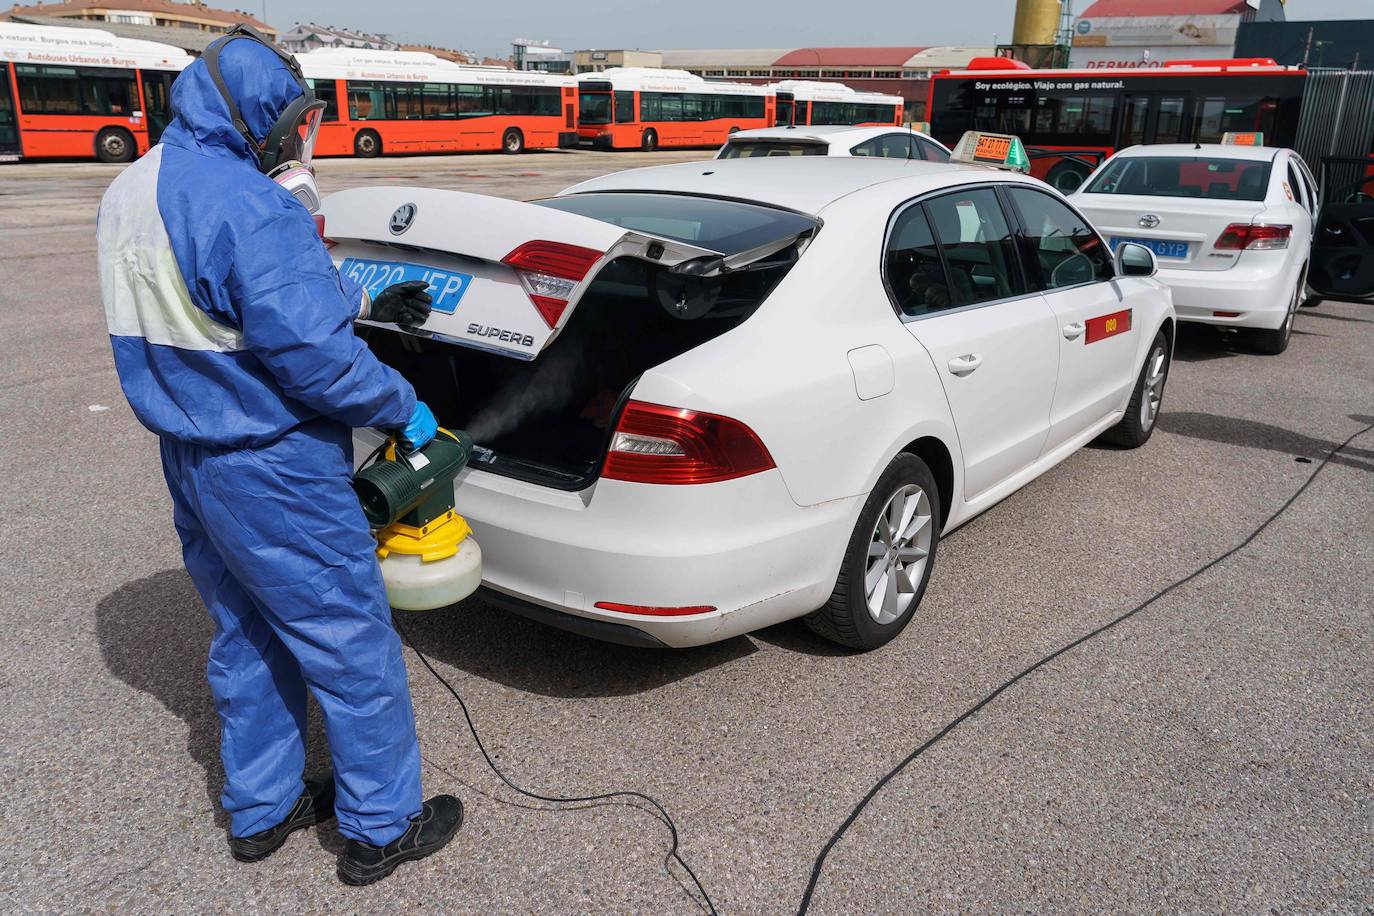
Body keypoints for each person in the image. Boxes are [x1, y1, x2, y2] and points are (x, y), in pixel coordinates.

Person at [96, 26, 461, 886]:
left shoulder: (130, 186)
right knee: (347, 638)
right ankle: (383, 824)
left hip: (189, 454)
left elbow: (223, 303)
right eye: (294, 122)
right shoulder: (250, 205)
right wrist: (403, 408)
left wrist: (354, 290)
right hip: (274, 463)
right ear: (262, 117)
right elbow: (317, 361)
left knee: (249, 632)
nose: (298, 138)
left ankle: (261, 809)